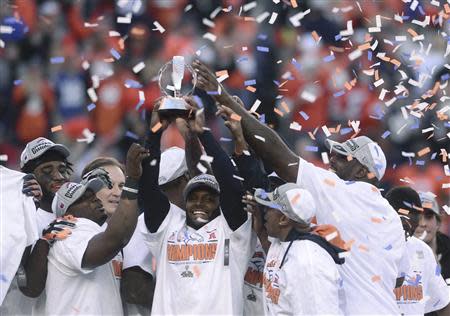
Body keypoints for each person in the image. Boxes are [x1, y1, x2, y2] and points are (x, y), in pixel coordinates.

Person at [193, 60, 408, 315]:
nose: (334, 159)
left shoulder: (342, 191)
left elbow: (279, 155)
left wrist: (223, 97)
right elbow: (398, 280)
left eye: (343, 157)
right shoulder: (391, 216)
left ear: (363, 172)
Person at [138, 98, 253, 315]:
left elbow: (229, 183)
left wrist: (203, 133)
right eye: (194, 197)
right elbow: (149, 188)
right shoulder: (168, 226)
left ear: (220, 202)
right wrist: (154, 132)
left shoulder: (231, 232)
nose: (200, 203)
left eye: (209, 198)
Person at [44, 143, 149, 315]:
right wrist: (133, 181)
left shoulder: (105, 232)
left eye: (122, 186)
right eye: (109, 185)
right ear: (68, 212)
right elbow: (116, 238)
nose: (117, 192)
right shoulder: (69, 231)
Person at [251, 183, 345, 315]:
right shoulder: (282, 240)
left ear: (283, 219)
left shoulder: (309, 262)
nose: (265, 213)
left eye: (270, 209)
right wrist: (261, 231)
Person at [385, 186, 450, 315]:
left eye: (415, 217)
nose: (421, 223)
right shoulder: (366, 248)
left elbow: (443, 303)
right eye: (403, 217)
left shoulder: (423, 251)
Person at [416, 192, 450, 284]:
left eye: (428, 216)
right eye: (417, 216)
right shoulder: (398, 253)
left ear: (438, 223)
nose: (423, 223)